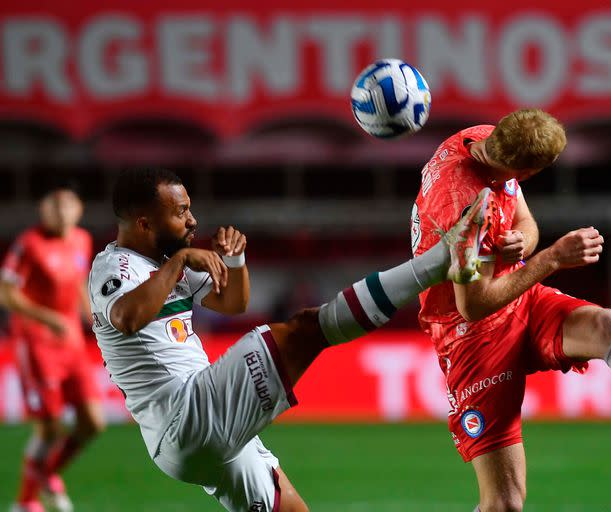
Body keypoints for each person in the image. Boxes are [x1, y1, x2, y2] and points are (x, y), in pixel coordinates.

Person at [87, 168, 494, 511]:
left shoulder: (165, 264)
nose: (192, 220)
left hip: (193, 436)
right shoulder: (115, 266)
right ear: (143, 223)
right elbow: (126, 318)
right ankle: (443, 259)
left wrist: (235, 260)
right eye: (180, 212)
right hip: (186, 415)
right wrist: (179, 262)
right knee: (305, 330)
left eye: (189, 208)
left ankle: (443, 259)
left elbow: (233, 303)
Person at [410, 108, 611, 512]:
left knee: (604, 325)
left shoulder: (484, 141)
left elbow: (525, 221)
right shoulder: (462, 207)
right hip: (470, 337)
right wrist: (550, 259)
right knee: (504, 503)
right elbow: (473, 305)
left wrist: (519, 242)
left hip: (519, 299)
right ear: (527, 170)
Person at [0, 183, 105, 512]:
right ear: (43, 211)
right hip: (37, 344)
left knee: (93, 423)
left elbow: (78, 280)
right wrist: (48, 318)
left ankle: (46, 475)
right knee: (50, 429)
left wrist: (94, 316)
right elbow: (6, 294)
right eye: (54, 207)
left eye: (67, 207)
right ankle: (25, 502)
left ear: (79, 211)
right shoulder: (28, 244)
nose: (61, 213)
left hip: (71, 343)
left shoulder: (81, 240)